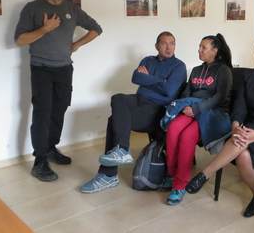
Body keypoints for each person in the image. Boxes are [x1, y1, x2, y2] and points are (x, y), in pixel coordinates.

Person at [185, 37, 254, 218]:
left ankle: (205, 174)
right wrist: (236, 125)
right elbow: (239, 106)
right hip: (253, 123)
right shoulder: (250, 76)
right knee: (243, 154)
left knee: (241, 144)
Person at [14, 0, 103, 182]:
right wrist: (44, 29)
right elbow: (19, 40)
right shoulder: (32, 8)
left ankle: (51, 147)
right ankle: (40, 160)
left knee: (59, 109)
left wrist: (76, 45)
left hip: (64, 69)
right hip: (41, 69)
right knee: (42, 113)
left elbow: (96, 29)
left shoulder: (72, 9)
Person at [79, 32, 187, 193]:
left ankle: (108, 175)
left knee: (113, 120)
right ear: (157, 46)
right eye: (164, 43)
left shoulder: (179, 66)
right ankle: (122, 151)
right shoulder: (147, 60)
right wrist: (160, 81)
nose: (168, 47)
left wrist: (148, 78)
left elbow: (170, 91)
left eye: (172, 43)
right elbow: (135, 78)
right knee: (117, 98)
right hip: (139, 100)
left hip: (157, 110)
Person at [163, 34, 233, 206]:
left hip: (211, 114)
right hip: (191, 109)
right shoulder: (195, 70)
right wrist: (184, 107)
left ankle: (180, 185)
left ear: (215, 51)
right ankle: (171, 174)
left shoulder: (223, 70)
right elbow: (187, 92)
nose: (199, 50)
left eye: (204, 47)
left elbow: (220, 98)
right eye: (199, 46)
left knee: (187, 136)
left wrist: (196, 109)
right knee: (173, 129)